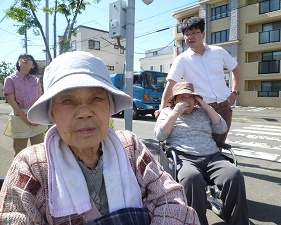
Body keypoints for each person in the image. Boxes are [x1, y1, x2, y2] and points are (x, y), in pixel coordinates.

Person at [0, 51, 200, 225]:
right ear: (52, 113)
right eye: (67, 100)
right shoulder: (31, 166)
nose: (84, 112)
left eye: (97, 98)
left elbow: (173, 200)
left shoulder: (131, 148)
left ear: (110, 107)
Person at [154, 81, 249, 225]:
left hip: (211, 156)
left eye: (190, 97)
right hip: (183, 157)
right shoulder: (167, 112)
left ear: (195, 99)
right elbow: (160, 136)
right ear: (174, 100)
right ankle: (197, 222)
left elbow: (221, 128)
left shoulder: (203, 112)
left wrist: (206, 106)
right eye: (182, 97)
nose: (186, 101)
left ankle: (238, 222)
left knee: (234, 175)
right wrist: (175, 113)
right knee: (192, 178)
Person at [155, 17, 241, 144]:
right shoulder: (182, 59)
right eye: (187, 34)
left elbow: (236, 70)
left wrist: (234, 92)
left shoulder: (219, 52)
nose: (190, 37)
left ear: (203, 34)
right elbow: (170, 85)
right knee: (202, 147)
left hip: (224, 108)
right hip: (201, 111)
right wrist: (162, 110)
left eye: (194, 33)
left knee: (219, 147)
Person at [3, 53, 48, 156]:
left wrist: (39, 116)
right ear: (18, 63)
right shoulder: (10, 79)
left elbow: (39, 99)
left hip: (35, 115)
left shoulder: (35, 80)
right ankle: (19, 172)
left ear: (32, 65)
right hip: (19, 116)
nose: (25, 59)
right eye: (22, 58)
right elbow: (12, 101)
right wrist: (24, 118)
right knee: (20, 152)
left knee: (39, 152)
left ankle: (38, 172)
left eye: (29, 59)